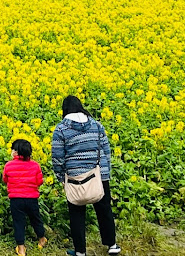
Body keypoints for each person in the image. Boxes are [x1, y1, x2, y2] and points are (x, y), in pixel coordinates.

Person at [52, 95, 122, 256]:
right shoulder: (97, 125)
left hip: (75, 176)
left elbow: (57, 157)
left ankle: (80, 251)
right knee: (104, 210)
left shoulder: (61, 129)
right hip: (99, 174)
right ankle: (112, 245)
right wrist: (106, 172)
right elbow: (106, 150)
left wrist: (61, 177)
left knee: (76, 213)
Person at [2, 139, 48, 255]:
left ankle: (21, 248)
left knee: (18, 222)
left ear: (16, 153)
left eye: (13, 149)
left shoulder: (8, 165)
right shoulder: (35, 165)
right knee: (36, 219)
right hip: (32, 199)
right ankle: (41, 240)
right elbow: (39, 181)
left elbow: (5, 180)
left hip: (16, 200)